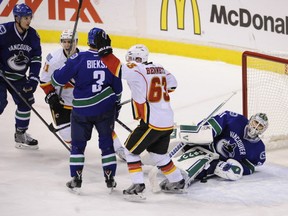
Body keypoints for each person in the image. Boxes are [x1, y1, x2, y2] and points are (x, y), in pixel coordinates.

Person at [95, 31, 185, 200]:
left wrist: (105, 51)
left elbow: (117, 69)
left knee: (130, 152)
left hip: (152, 122)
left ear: (137, 59)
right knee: (159, 156)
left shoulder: (137, 69)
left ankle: (138, 185)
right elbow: (173, 85)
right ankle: (177, 180)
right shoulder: (161, 69)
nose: (128, 61)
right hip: (167, 121)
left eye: (131, 58)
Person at [51, 27, 123, 192]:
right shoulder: (112, 60)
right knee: (107, 144)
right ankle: (110, 177)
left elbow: (57, 80)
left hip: (81, 111)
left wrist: (64, 67)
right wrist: (116, 105)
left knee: (77, 145)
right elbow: (118, 89)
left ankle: (76, 178)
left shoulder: (78, 58)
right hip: (105, 110)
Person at [39, 29, 126, 160]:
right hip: (61, 103)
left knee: (104, 129)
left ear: (77, 42)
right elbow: (44, 81)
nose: (68, 45)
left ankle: (119, 149)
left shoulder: (81, 58)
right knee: (70, 137)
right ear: (61, 42)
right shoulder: (53, 59)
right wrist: (51, 95)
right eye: (65, 42)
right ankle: (77, 155)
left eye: (71, 42)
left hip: (81, 102)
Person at [172, 110, 268, 185]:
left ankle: (187, 172)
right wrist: (206, 132)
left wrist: (234, 164)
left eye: (260, 126)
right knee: (200, 134)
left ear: (263, 130)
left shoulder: (258, 149)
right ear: (250, 120)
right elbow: (220, 120)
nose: (256, 127)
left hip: (215, 159)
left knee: (236, 172)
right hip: (207, 143)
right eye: (256, 122)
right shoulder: (237, 120)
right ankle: (178, 142)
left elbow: (250, 167)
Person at [0, 3, 42, 150]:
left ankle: (20, 134)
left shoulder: (33, 35)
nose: (28, 20)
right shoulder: (4, 31)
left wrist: (33, 79)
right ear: (17, 18)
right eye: (25, 18)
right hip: (1, 75)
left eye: (30, 17)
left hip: (18, 76)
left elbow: (36, 59)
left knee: (26, 101)